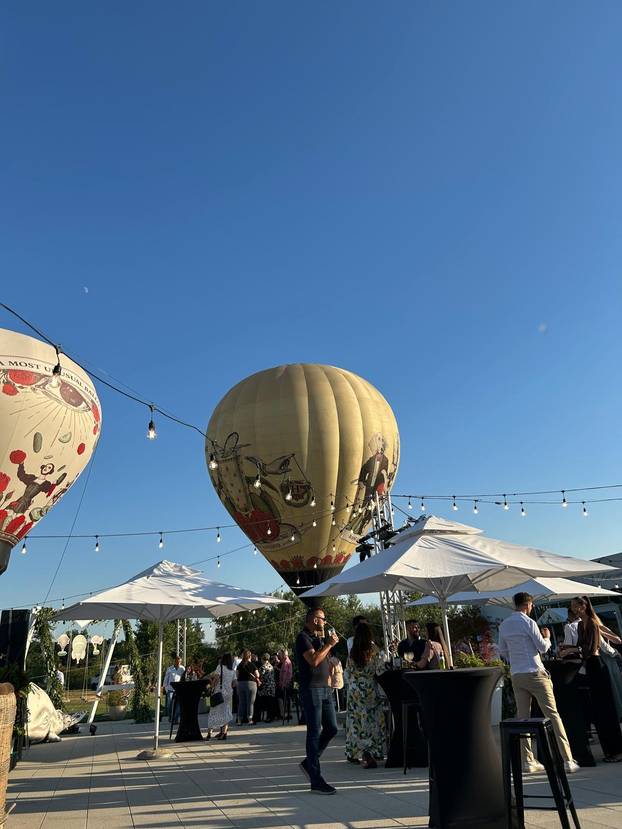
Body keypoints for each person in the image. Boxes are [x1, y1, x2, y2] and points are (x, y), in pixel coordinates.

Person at [499, 592, 579, 774]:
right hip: (534, 672)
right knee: (552, 715)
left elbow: (503, 652)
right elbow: (542, 647)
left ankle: (528, 760)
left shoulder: (504, 625)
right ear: (528, 605)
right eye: (532, 605)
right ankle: (567, 759)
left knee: (523, 718)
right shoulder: (528, 622)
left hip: (517, 675)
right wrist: (548, 638)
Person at [295, 607, 339, 795]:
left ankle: (309, 762)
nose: (325, 622)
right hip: (311, 689)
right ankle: (315, 779)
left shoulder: (318, 638)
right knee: (314, 731)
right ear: (314, 620)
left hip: (325, 688)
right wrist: (329, 645)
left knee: (332, 728)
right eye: (323, 619)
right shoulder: (303, 638)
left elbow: (323, 661)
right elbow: (313, 661)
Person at [574, 596, 622, 762]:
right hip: (591, 666)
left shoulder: (593, 623)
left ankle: (617, 750)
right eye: (572, 606)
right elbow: (581, 644)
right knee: (599, 712)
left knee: (607, 710)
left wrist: (575, 651)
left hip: (597, 666)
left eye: (575, 606)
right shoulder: (580, 624)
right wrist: (569, 649)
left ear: (583, 606)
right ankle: (609, 750)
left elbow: (591, 648)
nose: (573, 609)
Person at [345, 621, 386, 767]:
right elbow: (380, 670)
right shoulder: (374, 649)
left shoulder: (353, 651)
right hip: (370, 688)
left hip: (355, 689)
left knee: (356, 721)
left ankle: (356, 752)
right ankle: (373, 751)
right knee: (372, 720)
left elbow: (348, 671)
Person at [208, 653, 236, 740]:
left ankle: (209, 733)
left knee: (213, 711)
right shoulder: (232, 671)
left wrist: (211, 687)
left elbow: (216, 679)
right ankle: (224, 733)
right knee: (225, 712)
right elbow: (235, 683)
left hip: (218, 692)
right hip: (228, 693)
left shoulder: (220, 668)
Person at [237, 649, 260, 724]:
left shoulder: (239, 665)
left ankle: (239, 720)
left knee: (241, 702)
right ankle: (250, 719)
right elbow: (257, 675)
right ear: (250, 656)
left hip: (240, 684)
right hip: (251, 684)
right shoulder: (252, 664)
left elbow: (237, 675)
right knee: (250, 703)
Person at [163, 654, 184, 720]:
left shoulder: (182, 669)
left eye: (180, 662)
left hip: (178, 689)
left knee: (178, 705)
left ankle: (175, 718)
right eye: (177, 662)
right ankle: (170, 717)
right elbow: (166, 679)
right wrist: (165, 688)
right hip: (170, 689)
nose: (178, 663)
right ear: (175, 661)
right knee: (170, 704)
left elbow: (184, 678)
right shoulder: (170, 669)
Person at [257, 653, 277, 722]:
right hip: (272, 686)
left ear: (263, 659)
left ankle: (269, 717)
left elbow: (260, 677)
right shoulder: (271, 666)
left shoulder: (262, 667)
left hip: (266, 687)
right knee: (271, 702)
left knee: (267, 703)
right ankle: (271, 716)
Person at [277, 647, 293, 720]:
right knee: (286, 699)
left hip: (286, 683)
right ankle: (287, 713)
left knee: (285, 699)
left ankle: (286, 714)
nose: (279, 655)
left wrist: (283, 684)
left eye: (280, 654)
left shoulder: (286, 662)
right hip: (286, 683)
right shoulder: (285, 661)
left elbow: (286, 674)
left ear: (284, 654)